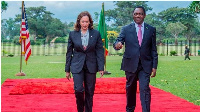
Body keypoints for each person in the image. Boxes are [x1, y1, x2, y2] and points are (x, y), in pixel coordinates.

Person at [113, 6, 158, 112]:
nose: (138, 16)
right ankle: (130, 109)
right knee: (131, 88)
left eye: (140, 14)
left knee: (145, 88)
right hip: (130, 64)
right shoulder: (126, 29)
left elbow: (153, 49)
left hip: (145, 64)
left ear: (144, 15)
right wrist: (117, 45)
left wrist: (154, 66)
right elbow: (118, 42)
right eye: (136, 14)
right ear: (133, 15)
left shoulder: (151, 29)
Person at [65, 11, 104, 112]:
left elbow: (100, 51)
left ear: (90, 22)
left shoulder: (96, 34)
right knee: (78, 90)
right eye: (83, 22)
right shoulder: (73, 34)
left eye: (87, 22)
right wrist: (67, 70)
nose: (85, 24)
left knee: (89, 91)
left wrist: (101, 67)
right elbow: (69, 53)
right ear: (79, 22)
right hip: (77, 66)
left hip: (91, 66)